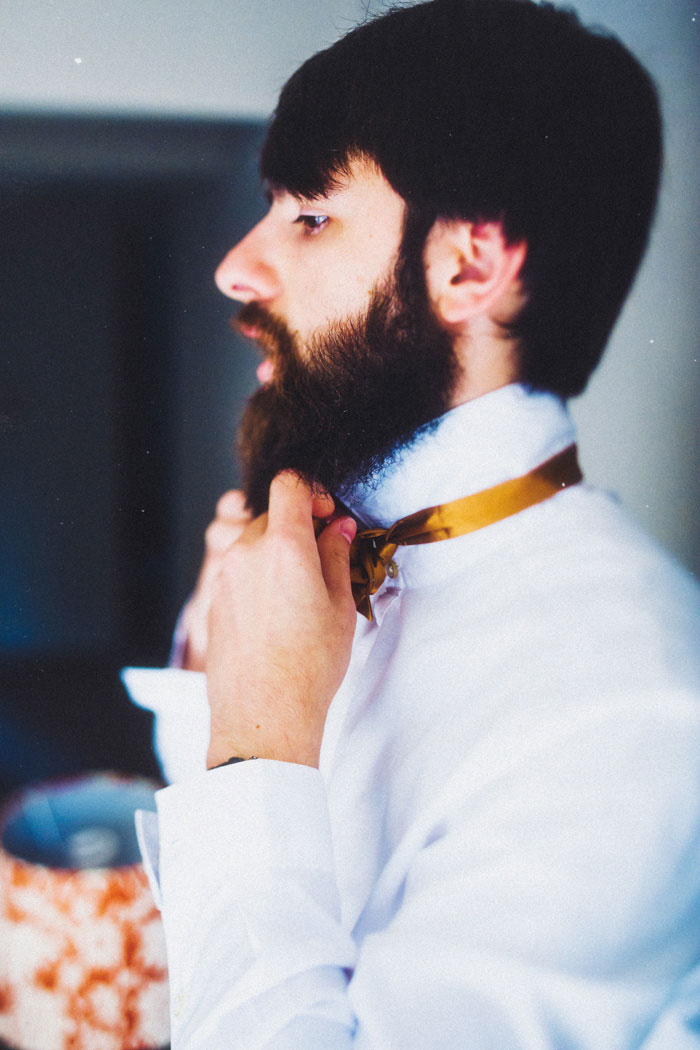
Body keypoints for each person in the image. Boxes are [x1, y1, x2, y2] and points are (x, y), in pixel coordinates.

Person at [123, 0, 700, 1046]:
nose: (235, 269)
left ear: (469, 267)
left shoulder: (638, 718)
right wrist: (218, 673)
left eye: (308, 216)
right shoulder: (314, 541)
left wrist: (259, 747)